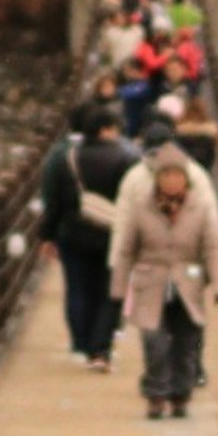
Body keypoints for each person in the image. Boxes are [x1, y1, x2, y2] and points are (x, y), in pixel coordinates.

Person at [109, 142, 218, 420]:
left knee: (187, 342)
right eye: (166, 175)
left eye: (177, 175)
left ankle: (180, 393)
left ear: (186, 178)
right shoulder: (142, 207)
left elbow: (214, 246)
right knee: (154, 342)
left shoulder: (200, 208)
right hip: (151, 281)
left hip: (188, 282)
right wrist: (118, 287)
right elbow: (127, 249)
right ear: (157, 178)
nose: (172, 181)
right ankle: (155, 393)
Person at [39, 101, 138, 368]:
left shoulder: (66, 158)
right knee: (109, 291)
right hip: (113, 233)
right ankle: (100, 347)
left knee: (77, 288)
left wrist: (47, 236)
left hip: (74, 232)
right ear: (106, 130)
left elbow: (55, 202)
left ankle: (80, 344)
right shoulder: (127, 159)